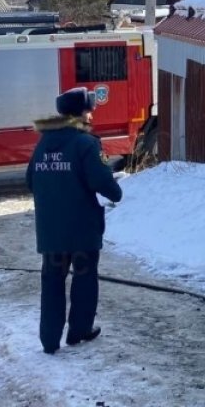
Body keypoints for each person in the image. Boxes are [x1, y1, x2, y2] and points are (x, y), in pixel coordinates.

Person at [26, 86, 123, 355]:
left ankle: (49, 339)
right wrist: (116, 191)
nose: (92, 116)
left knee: (52, 282)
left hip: (50, 232)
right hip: (82, 229)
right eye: (89, 111)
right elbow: (103, 182)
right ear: (82, 114)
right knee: (84, 279)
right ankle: (79, 331)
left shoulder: (44, 143)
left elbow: (30, 181)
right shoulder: (85, 143)